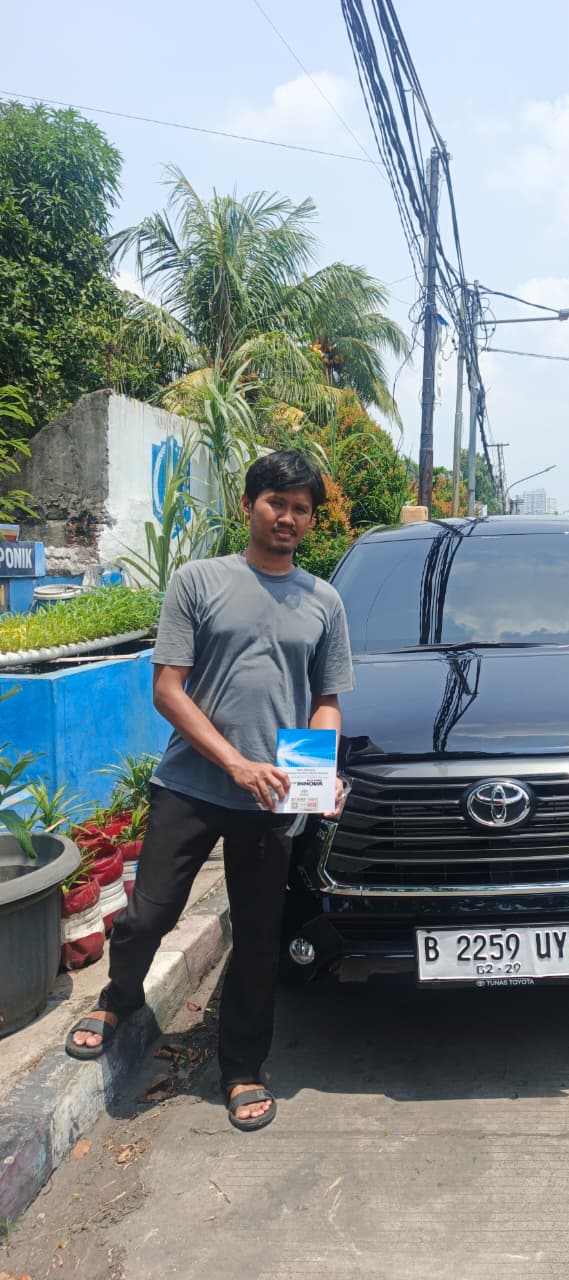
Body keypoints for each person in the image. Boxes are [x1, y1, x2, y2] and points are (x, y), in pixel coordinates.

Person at [65, 450, 353, 1132]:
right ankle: (119, 997)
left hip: (271, 798)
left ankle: (242, 1068)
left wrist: (321, 775)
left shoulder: (324, 601)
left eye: (301, 508)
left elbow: (326, 700)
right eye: (276, 502)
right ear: (249, 505)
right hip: (191, 785)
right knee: (147, 915)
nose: (288, 517)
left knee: (257, 939)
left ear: (311, 520)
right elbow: (168, 690)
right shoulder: (198, 581)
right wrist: (235, 763)